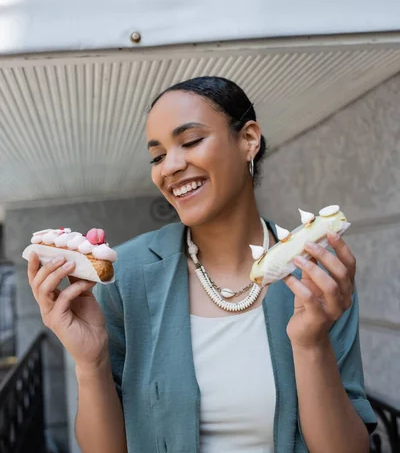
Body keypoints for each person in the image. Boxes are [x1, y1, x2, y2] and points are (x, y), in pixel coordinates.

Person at [27, 76, 376, 453]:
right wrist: (90, 362)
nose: (170, 167)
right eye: (157, 156)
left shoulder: (316, 275)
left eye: (191, 141)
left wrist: (311, 345)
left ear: (249, 140)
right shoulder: (127, 276)